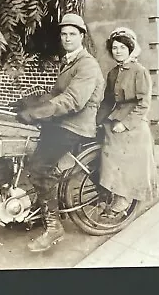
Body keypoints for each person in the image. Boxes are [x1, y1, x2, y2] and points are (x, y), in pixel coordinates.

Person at [15, 13, 105, 252]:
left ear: (82, 37)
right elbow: (55, 95)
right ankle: (42, 207)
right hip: (61, 124)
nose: (67, 38)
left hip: (75, 126)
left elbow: (72, 100)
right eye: (64, 34)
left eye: (72, 34)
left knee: (39, 168)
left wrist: (35, 114)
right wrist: (27, 103)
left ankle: (54, 227)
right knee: (33, 158)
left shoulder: (87, 65)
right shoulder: (70, 62)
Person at [96, 27, 157, 218]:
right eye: (114, 48)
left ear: (130, 49)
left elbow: (144, 103)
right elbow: (107, 102)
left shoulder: (139, 71)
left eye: (122, 47)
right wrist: (95, 121)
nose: (118, 51)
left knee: (121, 158)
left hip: (134, 124)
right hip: (116, 119)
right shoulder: (113, 73)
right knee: (104, 151)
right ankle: (109, 192)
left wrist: (126, 123)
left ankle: (123, 199)